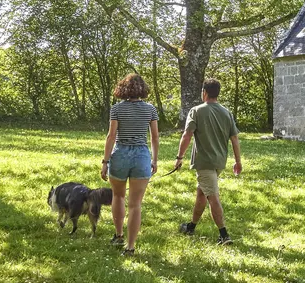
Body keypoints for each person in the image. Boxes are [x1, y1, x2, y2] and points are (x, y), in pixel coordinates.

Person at [174, 77, 242, 243]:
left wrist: (179, 157)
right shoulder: (226, 112)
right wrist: (238, 161)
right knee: (201, 194)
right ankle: (191, 227)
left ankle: (224, 235)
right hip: (219, 162)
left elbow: (187, 135)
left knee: (212, 197)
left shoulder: (196, 111)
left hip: (204, 163)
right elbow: (234, 139)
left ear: (204, 92)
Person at [102, 73, 159, 253]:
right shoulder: (150, 109)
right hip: (141, 155)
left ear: (123, 89)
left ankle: (119, 235)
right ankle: (131, 246)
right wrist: (155, 159)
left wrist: (105, 161)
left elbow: (111, 136)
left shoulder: (116, 109)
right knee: (136, 204)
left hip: (120, 154)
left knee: (118, 196)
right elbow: (155, 137)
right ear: (143, 89)